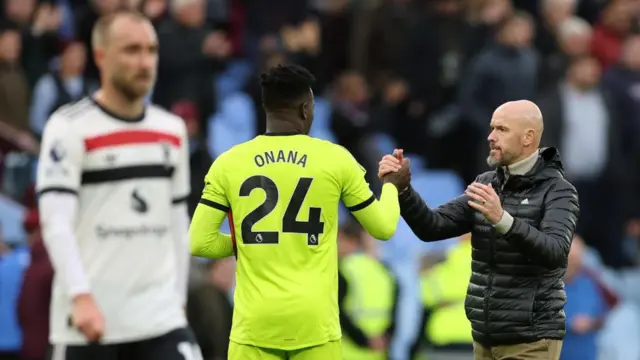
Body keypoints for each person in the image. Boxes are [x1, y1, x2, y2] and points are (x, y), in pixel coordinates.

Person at [189, 64, 409, 360]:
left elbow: (199, 242)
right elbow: (383, 227)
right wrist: (392, 186)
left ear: (266, 108)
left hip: (254, 326)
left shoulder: (229, 163)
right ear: (306, 109)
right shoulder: (335, 160)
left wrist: (247, 241)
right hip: (315, 327)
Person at [36, 10, 199, 360]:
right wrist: (80, 296)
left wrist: (178, 299)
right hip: (92, 323)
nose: (145, 62)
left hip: (160, 318)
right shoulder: (69, 128)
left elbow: (177, 222)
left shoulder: (171, 130)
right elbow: (56, 222)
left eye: (151, 50)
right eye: (132, 50)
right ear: (100, 56)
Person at [379, 100, 580, 360]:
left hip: (531, 337)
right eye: (491, 128)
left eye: (502, 129)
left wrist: (503, 219)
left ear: (528, 137)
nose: (491, 136)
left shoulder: (558, 191)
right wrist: (404, 190)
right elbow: (432, 227)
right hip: (484, 337)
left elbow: (555, 253)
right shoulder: (486, 183)